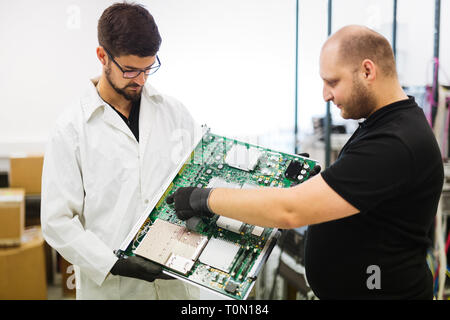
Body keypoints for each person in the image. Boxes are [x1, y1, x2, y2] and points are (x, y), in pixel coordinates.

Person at [167, 25, 444, 299]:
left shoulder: (395, 142)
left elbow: (290, 211)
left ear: (368, 71)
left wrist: (204, 198)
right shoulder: (383, 123)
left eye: (332, 82)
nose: (325, 95)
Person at [41, 3, 200, 299]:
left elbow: (203, 182)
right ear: (103, 56)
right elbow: (56, 222)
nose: (140, 80)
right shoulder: (71, 129)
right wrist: (113, 264)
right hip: (114, 289)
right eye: (129, 70)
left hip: (176, 286)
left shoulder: (175, 114)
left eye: (148, 69)